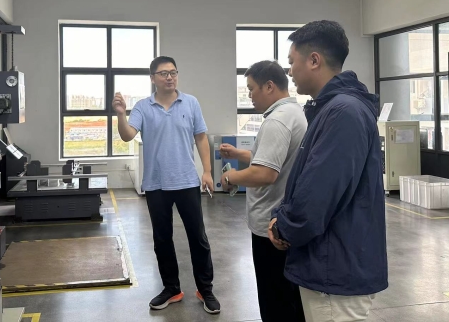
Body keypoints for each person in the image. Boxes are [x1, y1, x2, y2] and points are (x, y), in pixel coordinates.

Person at [269, 20, 388, 322]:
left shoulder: (344, 112)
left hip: (334, 269)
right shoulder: (332, 108)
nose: (290, 71)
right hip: (330, 262)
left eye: (292, 62)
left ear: (314, 60)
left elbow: (318, 193)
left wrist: (285, 227)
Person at [113, 55, 220, 315]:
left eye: (173, 72)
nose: (170, 77)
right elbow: (127, 135)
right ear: (153, 78)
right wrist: (121, 115)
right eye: (163, 73)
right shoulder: (143, 106)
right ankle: (172, 288)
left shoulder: (191, 102)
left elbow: (201, 138)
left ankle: (205, 289)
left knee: (198, 237)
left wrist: (207, 171)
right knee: (162, 239)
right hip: (156, 184)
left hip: (187, 181)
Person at [218, 60, 306, 322]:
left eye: (251, 88)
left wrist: (230, 177)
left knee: (274, 300)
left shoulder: (277, 121)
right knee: (288, 296)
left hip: (270, 226)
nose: (249, 95)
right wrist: (238, 154)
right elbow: (271, 158)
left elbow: (265, 173)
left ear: (269, 86)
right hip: (284, 221)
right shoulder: (294, 113)